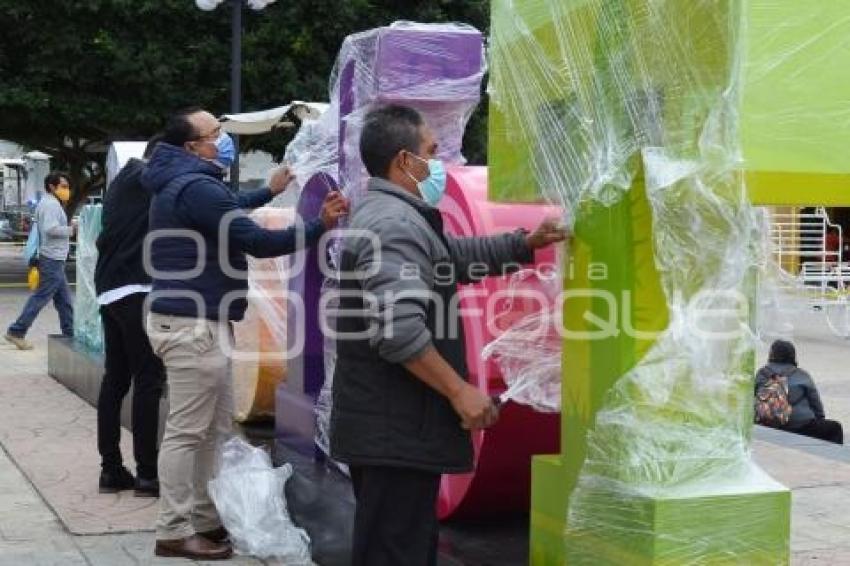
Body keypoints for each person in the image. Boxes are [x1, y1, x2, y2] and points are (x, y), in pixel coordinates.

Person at [330, 104, 568, 566]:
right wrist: (460, 391)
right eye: (431, 153)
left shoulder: (394, 215)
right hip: (393, 432)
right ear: (404, 161)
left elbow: (447, 259)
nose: (440, 165)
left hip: (392, 428)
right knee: (395, 552)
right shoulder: (394, 224)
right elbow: (399, 332)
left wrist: (522, 244)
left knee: (398, 546)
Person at [144, 107, 348, 561]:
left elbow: (223, 210)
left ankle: (204, 517)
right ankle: (174, 529)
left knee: (211, 429)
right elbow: (255, 241)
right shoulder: (196, 185)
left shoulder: (182, 182)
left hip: (193, 321)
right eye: (215, 133)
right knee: (186, 432)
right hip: (192, 326)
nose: (222, 139)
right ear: (190, 146)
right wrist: (320, 226)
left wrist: (265, 192)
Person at [94, 135, 166, 497]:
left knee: (116, 380)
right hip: (135, 289)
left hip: (110, 288)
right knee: (148, 379)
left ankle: (111, 469)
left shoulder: (124, 178)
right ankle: (148, 474)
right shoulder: (146, 176)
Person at [5, 172, 76, 350]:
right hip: (51, 258)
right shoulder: (51, 204)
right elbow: (51, 229)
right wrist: (71, 229)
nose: (67, 190)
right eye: (63, 186)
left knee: (65, 300)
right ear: (52, 187)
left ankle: (70, 333)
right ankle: (17, 331)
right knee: (42, 297)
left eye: (67, 186)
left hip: (54, 258)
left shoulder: (49, 203)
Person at [756, 339, 843, 444]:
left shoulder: (761, 373)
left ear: (771, 354)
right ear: (793, 355)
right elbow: (817, 406)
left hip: (769, 426)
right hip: (801, 427)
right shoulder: (802, 374)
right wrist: (819, 420)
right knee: (835, 428)